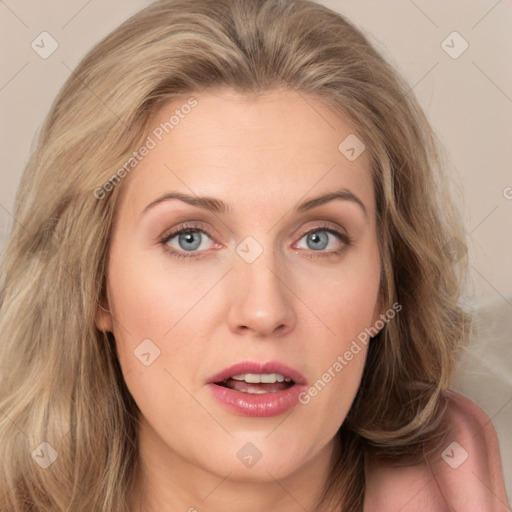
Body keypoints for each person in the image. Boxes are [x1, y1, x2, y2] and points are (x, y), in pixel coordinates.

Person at [0, 0, 508, 510]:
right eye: (190, 238)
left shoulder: (471, 476)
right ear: (94, 285)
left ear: (386, 287)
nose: (264, 311)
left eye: (318, 238)